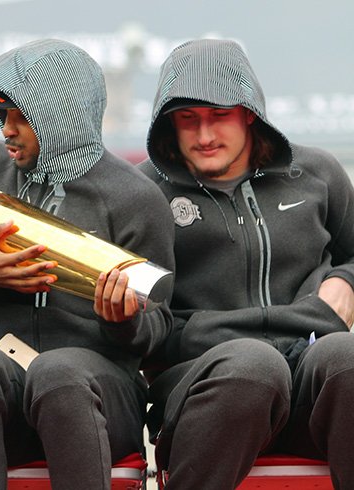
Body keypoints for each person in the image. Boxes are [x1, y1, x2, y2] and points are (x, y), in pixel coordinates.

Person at [0, 39, 175, 489]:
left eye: (22, 118)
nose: (6, 131)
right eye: (3, 116)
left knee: (59, 370)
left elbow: (159, 330)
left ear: (62, 116)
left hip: (96, 397)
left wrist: (125, 322)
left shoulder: (136, 198)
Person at [139, 38, 354, 489]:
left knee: (347, 356)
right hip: (210, 386)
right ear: (167, 122)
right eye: (187, 120)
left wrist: (346, 280)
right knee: (253, 365)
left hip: (311, 373)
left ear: (250, 112)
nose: (205, 136)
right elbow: (141, 322)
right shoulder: (142, 194)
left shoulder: (317, 173)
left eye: (220, 116)